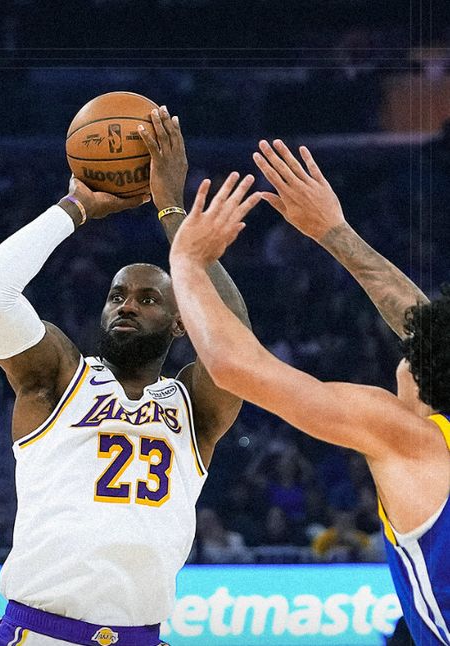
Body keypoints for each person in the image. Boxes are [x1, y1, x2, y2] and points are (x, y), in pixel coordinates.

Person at [0, 106, 250, 646]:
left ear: (182, 323)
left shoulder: (195, 406)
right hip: (40, 634)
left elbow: (236, 341)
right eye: (117, 296)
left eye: (148, 299)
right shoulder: (57, 379)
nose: (127, 306)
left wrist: (172, 209)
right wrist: (74, 208)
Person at [168, 139, 449, 645]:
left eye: (406, 357)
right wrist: (334, 233)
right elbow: (426, 328)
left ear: (421, 377)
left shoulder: (413, 441)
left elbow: (235, 367)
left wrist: (186, 262)